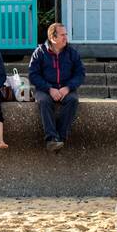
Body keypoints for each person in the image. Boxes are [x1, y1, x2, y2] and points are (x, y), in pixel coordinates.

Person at [28, 22, 85, 153]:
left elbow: (80, 73)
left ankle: (60, 138)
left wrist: (68, 87)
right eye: (62, 35)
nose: (66, 38)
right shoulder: (39, 53)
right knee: (44, 101)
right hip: (45, 89)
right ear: (53, 38)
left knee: (72, 100)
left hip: (66, 88)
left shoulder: (72, 53)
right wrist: (49, 89)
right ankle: (51, 139)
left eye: (66, 34)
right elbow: (33, 75)